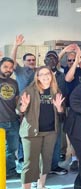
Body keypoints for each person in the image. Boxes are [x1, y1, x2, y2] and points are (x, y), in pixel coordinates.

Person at [19, 66, 65, 189]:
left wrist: (59, 107)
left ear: (52, 75)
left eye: (47, 73)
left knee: (46, 160)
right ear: (37, 77)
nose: (45, 76)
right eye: (42, 74)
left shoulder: (56, 91)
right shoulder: (29, 90)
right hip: (31, 132)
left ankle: (41, 185)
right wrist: (23, 107)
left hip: (50, 132)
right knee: (30, 163)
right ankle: (26, 187)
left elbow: (61, 113)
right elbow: (19, 110)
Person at [11, 34, 37, 172]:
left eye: (33, 60)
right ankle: (21, 159)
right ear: (24, 61)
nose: (31, 62)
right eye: (29, 60)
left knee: (34, 135)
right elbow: (12, 61)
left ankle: (33, 159)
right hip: (23, 108)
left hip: (36, 108)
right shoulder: (20, 70)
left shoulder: (39, 72)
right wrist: (16, 46)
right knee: (23, 134)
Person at [43, 51, 68, 175]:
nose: (51, 61)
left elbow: (62, 92)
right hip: (43, 113)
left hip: (58, 112)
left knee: (57, 141)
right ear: (44, 61)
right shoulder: (39, 74)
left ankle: (54, 165)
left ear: (57, 62)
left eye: (54, 59)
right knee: (43, 143)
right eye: (49, 58)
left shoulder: (61, 75)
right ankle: (42, 170)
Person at [0, 57, 20, 179]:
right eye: (5, 67)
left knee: (12, 149)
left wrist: (21, 114)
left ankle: (10, 171)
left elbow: (16, 100)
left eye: (11, 68)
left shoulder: (14, 83)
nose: (9, 70)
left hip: (12, 120)